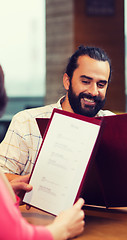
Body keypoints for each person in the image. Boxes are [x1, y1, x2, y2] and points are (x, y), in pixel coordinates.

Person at [0, 46, 114, 182]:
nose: (94, 91)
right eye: (85, 82)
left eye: (101, 85)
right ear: (67, 81)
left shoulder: (115, 125)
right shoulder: (26, 122)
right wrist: (39, 182)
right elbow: (2, 176)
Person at [0, 64, 85, 240]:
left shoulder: (111, 120)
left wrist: (7, 191)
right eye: (85, 81)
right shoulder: (26, 121)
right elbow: (17, 236)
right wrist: (62, 229)